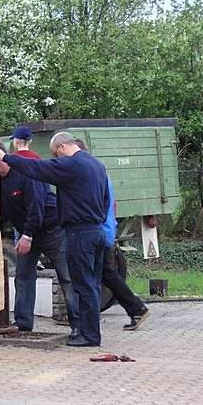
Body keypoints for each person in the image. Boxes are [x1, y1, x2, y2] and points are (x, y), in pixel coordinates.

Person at [0, 132, 109, 347]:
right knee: (91, 284)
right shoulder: (96, 164)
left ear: (62, 148)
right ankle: (87, 331)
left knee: (80, 283)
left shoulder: (72, 164)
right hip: (95, 229)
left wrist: (4, 157)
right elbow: (106, 199)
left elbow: (39, 169)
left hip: (75, 232)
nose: (56, 158)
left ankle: (87, 334)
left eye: (55, 154)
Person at [0, 145, 79, 337]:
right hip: (26, 231)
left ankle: (78, 324)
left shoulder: (25, 174)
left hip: (51, 230)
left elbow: (36, 208)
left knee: (67, 276)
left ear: (0, 159)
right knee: (23, 276)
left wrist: (27, 236)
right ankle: (23, 323)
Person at [74, 139, 150, 331]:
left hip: (99, 231)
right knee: (107, 275)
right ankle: (136, 308)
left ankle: (134, 309)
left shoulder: (89, 174)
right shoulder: (99, 172)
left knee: (101, 276)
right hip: (105, 230)